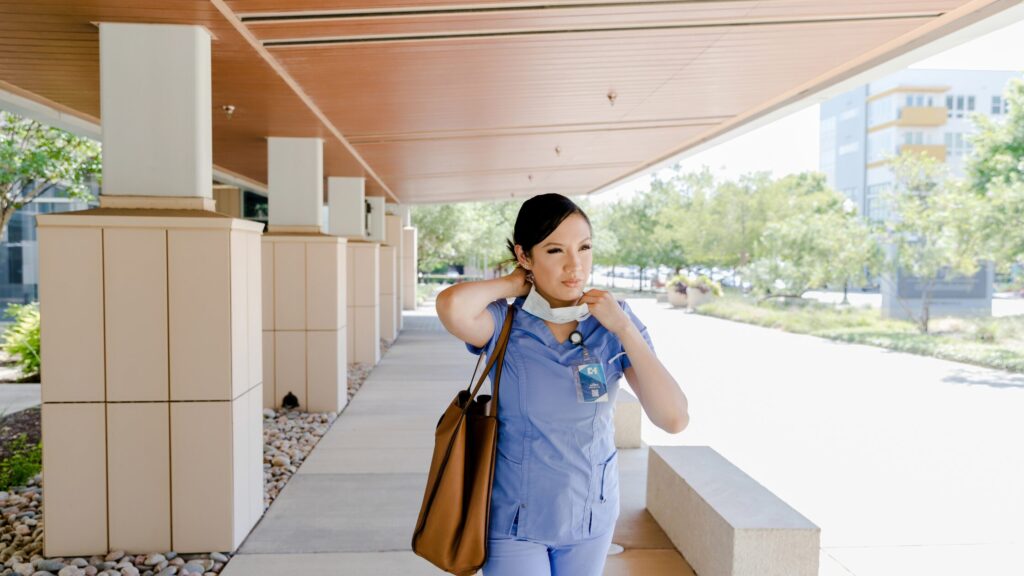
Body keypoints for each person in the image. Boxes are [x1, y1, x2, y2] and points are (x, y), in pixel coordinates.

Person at [435, 193, 689, 576]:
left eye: (584, 247)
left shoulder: (611, 325)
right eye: (555, 250)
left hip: (592, 517)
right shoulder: (505, 323)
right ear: (525, 255)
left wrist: (623, 328)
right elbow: (452, 306)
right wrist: (512, 283)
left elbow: (673, 418)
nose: (575, 265)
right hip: (515, 521)